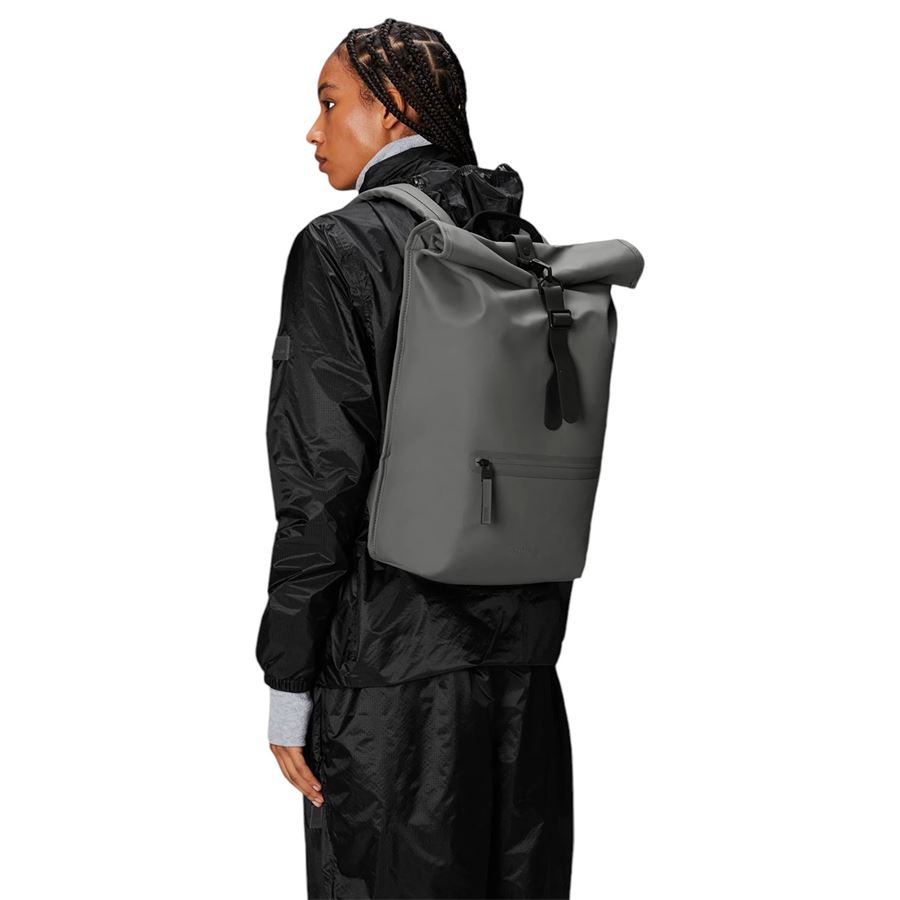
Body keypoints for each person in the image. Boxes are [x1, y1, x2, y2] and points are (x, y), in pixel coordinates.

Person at [256, 18, 574, 899]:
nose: (314, 131)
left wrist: (288, 677)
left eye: (330, 103)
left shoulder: (340, 248)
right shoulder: (518, 243)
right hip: (524, 673)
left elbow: (320, 478)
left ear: (392, 108)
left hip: (388, 679)